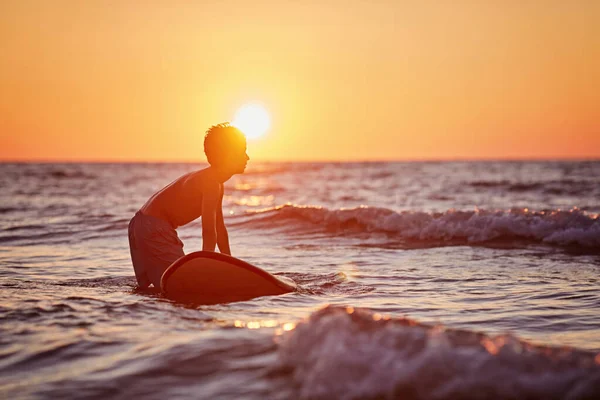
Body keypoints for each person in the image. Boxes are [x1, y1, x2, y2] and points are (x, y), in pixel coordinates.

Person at [128, 123, 249, 288]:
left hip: (141, 224)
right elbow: (208, 230)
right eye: (242, 152)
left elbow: (219, 229)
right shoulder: (211, 184)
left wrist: (231, 265)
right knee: (179, 285)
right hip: (154, 228)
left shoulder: (215, 183)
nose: (247, 157)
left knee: (152, 288)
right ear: (228, 155)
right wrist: (208, 266)